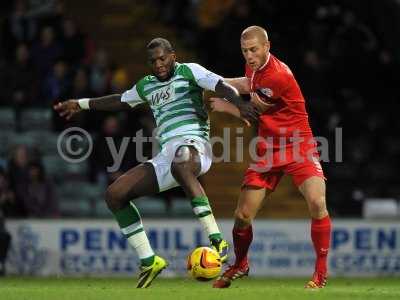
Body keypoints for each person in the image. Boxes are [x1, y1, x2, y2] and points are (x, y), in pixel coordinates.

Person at [54, 37, 258, 288]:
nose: (159, 64)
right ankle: (149, 260)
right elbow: (118, 100)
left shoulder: (189, 71)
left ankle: (217, 239)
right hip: (167, 156)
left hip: (195, 146)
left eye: (163, 58)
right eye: (153, 61)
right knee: (114, 194)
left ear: (173, 56)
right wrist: (80, 104)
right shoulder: (146, 86)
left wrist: (239, 102)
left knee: (181, 164)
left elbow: (221, 86)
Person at [210, 26, 331, 289]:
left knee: (317, 202)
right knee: (242, 215)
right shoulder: (255, 68)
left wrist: (223, 104)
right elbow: (246, 83)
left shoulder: (278, 75)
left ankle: (320, 273)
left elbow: (252, 111)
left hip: (298, 145)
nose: (249, 56)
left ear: (267, 46)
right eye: (244, 51)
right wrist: (215, 81)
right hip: (268, 148)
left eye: (253, 50)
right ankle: (240, 264)